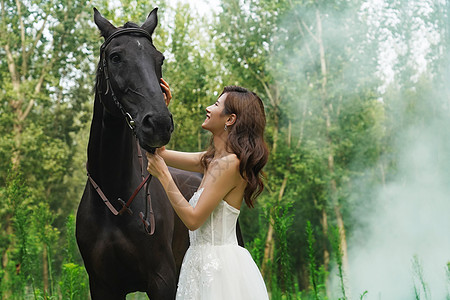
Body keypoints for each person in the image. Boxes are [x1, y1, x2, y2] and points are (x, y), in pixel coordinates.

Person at [147, 79, 269, 300]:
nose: (208, 108)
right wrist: (161, 106)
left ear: (230, 119)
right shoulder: (211, 160)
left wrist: (164, 176)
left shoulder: (230, 164)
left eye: (215, 104)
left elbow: (193, 219)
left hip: (220, 271)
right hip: (197, 265)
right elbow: (161, 154)